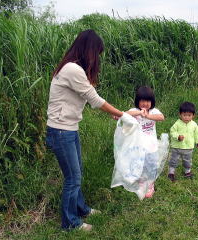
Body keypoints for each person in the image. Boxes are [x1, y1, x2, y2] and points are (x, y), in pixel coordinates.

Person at [45, 29, 124, 231]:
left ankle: (81, 209)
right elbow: (95, 100)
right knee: (73, 178)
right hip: (61, 131)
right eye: (96, 53)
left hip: (68, 129)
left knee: (76, 172)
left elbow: (90, 98)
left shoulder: (72, 68)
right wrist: (121, 114)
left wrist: (113, 112)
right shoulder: (72, 69)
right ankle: (70, 223)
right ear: (88, 50)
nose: (97, 58)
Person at [126, 86, 165, 198]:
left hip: (151, 145)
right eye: (142, 101)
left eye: (147, 101)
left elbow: (161, 117)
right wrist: (139, 114)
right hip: (138, 145)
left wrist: (148, 115)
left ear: (151, 102)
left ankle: (150, 183)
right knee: (139, 163)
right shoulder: (135, 111)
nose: (145, 104)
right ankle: (142, 181)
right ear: (138, 101)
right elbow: (126, 114)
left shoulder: (153, 111)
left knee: (152, 164)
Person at [168, 102, 198, 182]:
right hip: (176, 147)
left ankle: (187, 172)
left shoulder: (194, 125)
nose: (186, 117)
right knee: (174, 159)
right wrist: (178, 137)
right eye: (184, 115)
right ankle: (171, 173)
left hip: (188, 147)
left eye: (189, 115)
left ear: (193, 115)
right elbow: (172, 131)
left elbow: (197, 134)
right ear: (180, 114)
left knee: (187, 160)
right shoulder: (177, 123)